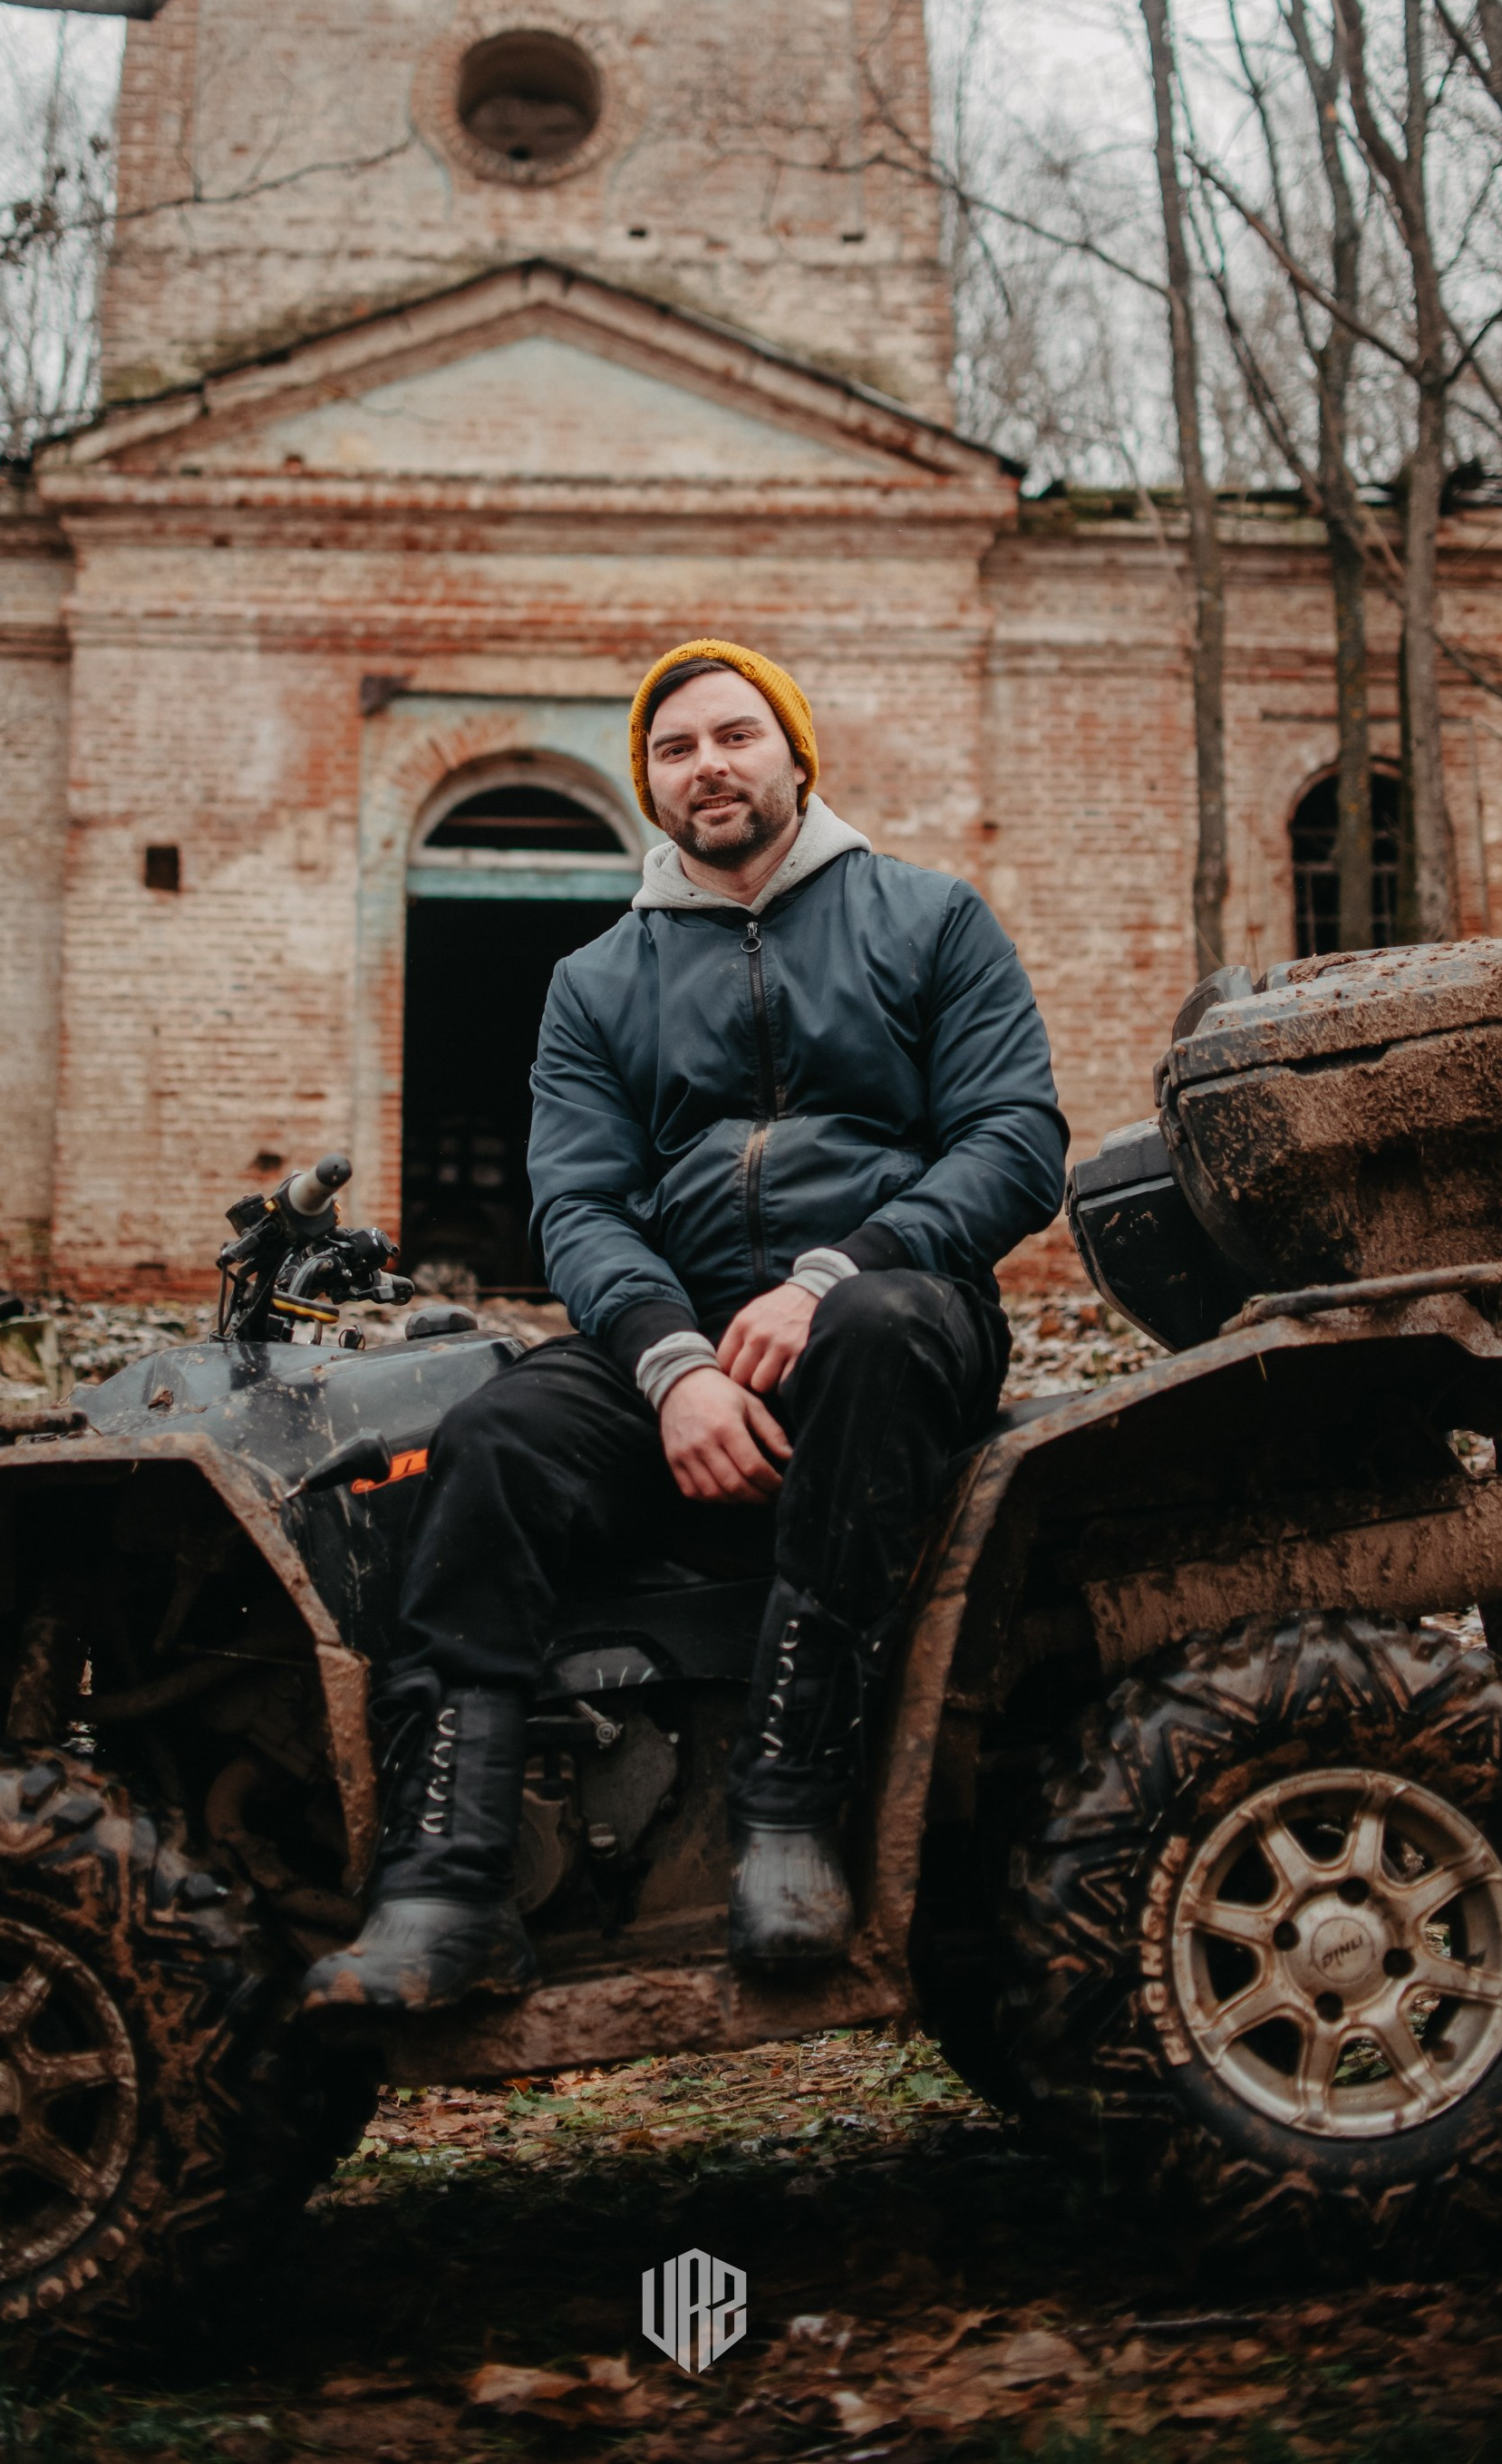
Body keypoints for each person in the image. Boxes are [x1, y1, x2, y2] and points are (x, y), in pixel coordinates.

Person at [302, 639, 1066, 2015]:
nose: (706, 764)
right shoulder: (597, 981)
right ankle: (448, 1884)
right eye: (673, 748)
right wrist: (673, 1373)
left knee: (880, 1332)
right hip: (679, 1335)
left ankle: (786, 1812)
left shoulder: (931, 920)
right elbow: (579, 1205)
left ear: (793, 755)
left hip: (901, 1306)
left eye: (734, 735)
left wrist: (833, 1274)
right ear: (649, 787)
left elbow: (1015, 1141)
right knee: (493, 1438)